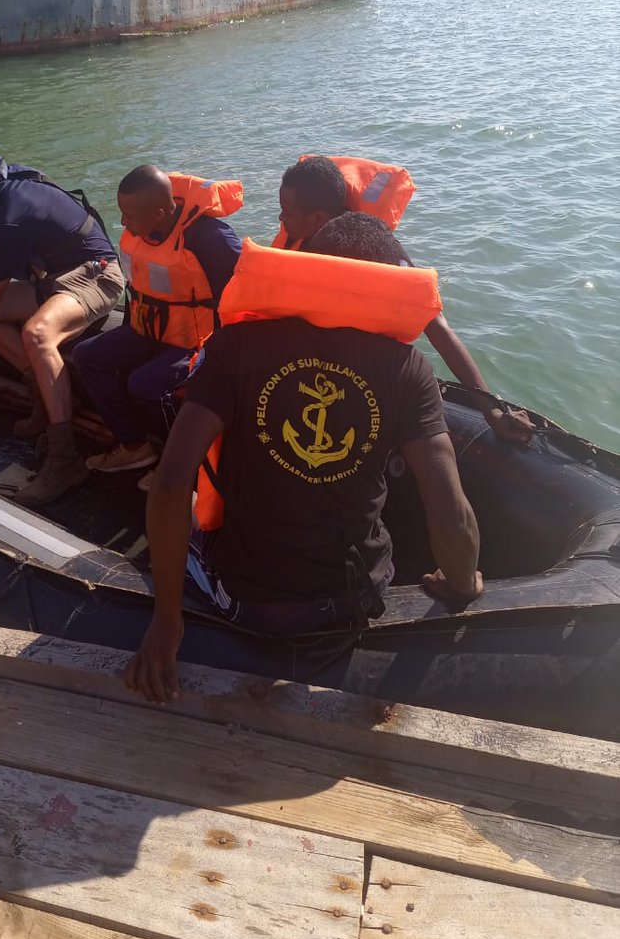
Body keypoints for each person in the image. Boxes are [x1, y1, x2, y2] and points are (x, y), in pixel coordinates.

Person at [124, 213, 482, 705]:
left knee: (186, 509)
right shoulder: (408, 368)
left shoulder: (235, 346)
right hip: (352, 602)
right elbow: (451, 512)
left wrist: (166, 621)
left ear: (308, 265)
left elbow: (169, 484)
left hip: (247, 599)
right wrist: (462, 582)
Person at [273, 155, 536, 443]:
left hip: (366, 374)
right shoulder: (296, 242)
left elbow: (436, 325)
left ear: (318, 219)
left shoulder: (373, 247)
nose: (281, 220)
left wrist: (493, 411)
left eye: (287, 212)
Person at [0, 145, 124, 505]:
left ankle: (65, 460)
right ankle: (48, 398)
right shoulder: (3, 185)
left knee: (37, 334)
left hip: (97, 276)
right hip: (59, 277)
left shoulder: (8, 213)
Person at [73, 165, 243, 490]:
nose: (123, 223)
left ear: (161, 212)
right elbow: (134, 290)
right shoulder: (142, 232)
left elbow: (244, 295)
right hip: (149, 330)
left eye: (130, 216)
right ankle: (134, 447)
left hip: (196, 341)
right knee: (87, 356)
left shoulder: (209, 238)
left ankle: (185, 465)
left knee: (146, 384)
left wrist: (225, 359)